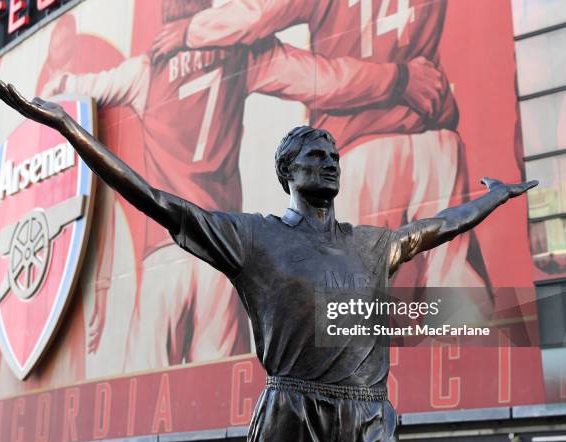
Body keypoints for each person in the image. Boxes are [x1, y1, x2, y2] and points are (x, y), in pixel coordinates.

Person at [0, 81, 537, 442]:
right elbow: (157, 201)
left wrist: (492, 196)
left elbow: (439, 226)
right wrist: (67, 127)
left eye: (333, 156)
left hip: (371, 417)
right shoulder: (253, 238)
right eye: (314, 155)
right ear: (288, 173)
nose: (329, 162)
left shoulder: (372, 245)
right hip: (293, 416)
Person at [40, 0, 432, 371]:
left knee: (138, 407)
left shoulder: (145, 69)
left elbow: (74, 91)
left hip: (163, 250)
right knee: (217, 378)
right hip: (219, 253)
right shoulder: (242, 53)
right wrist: (398, 78)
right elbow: (324, 79)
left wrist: (56, 74)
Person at [151, 0, 493, 292]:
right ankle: (480, 369)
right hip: (433, 136)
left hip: (359, 148)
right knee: (455, 289)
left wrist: (188, 31)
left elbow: (257, 15)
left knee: (350, 300)